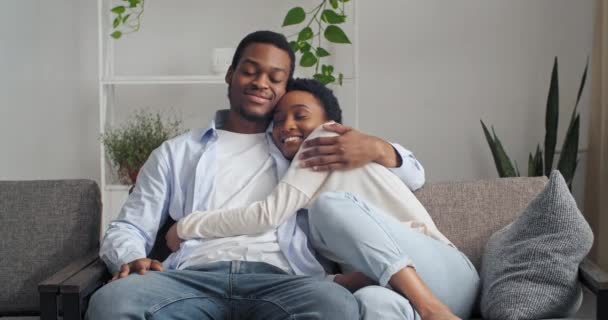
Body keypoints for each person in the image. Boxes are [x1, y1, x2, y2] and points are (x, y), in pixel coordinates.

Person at [86, 30, 426, 319]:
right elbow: (129, 227)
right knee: (113, 302)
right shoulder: (176, 153)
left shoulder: (299, 143)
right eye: (250, 71)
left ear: (284, 88)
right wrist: (131, 257)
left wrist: (383, 150)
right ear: (230, 74)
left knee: (336, 306)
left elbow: (412, 177)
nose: (261, 83)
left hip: (285, 280)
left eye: (276, 78)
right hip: (192, 278)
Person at [166, 78, 480, 320]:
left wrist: (186, 226)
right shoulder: (303, 193)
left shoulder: (325, 140)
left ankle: (431, 309)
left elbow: (266, 214)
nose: (286, 125)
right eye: (277, 120)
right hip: (397, 289)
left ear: (328, 121)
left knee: (329, 209)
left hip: (447, 275)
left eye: (300, 115)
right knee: (371, 303)